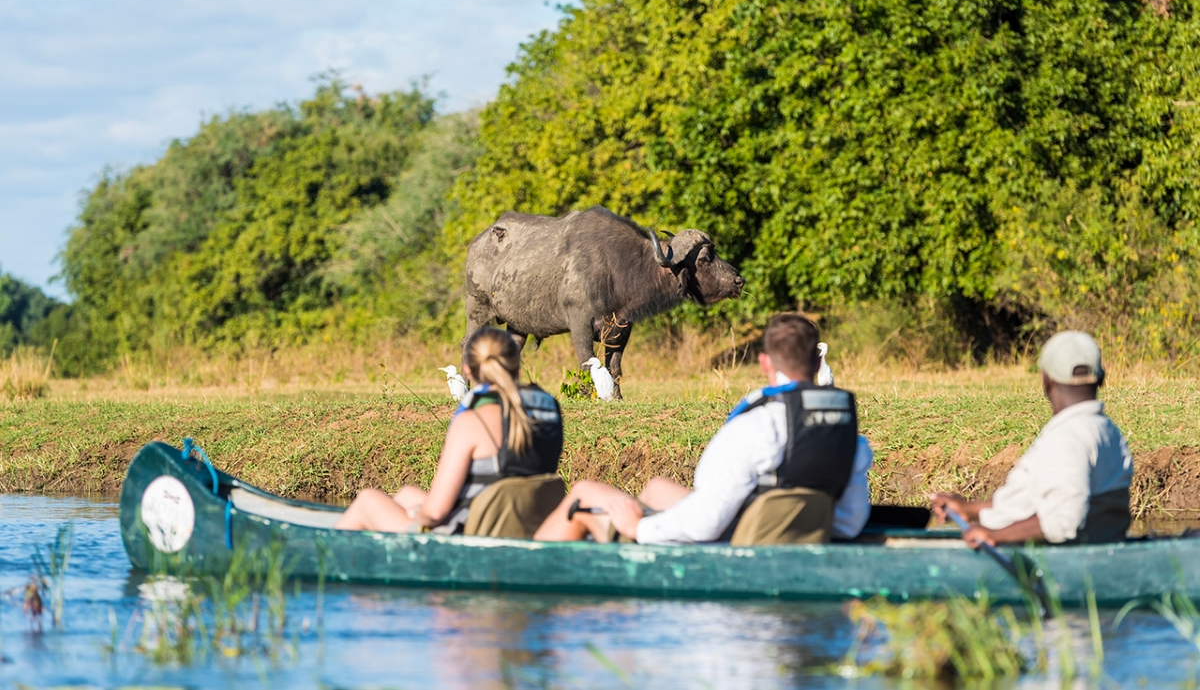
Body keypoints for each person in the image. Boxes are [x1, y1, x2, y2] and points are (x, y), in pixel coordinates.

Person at [535, 313, 873, 544]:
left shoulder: (755, 426)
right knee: (655, 488)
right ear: (817, 363)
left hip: (735, 548)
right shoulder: (847, 435)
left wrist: (639, 527)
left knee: (582, 494)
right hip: (776, 536)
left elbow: (707, 522)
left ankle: (522, 588)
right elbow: (850, 521)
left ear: (765, 362)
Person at [336, 327, 563, 533]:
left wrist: (417, 515)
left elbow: (435, 513)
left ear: (468, 370)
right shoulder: (549, 411)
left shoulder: (473, 422)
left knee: (367, 501)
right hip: (523, 526)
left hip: (470, 536)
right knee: (407, 495)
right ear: (516, 363)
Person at [930, 330, 1133, 547]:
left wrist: (994, 535)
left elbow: (1063, 520)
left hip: (1023, 551)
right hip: (1092, 547)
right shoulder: (1107, 430)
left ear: (1047, 381)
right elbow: (1041, 503)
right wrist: (971, 510)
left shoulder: (1067, 438)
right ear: (1101, 379)